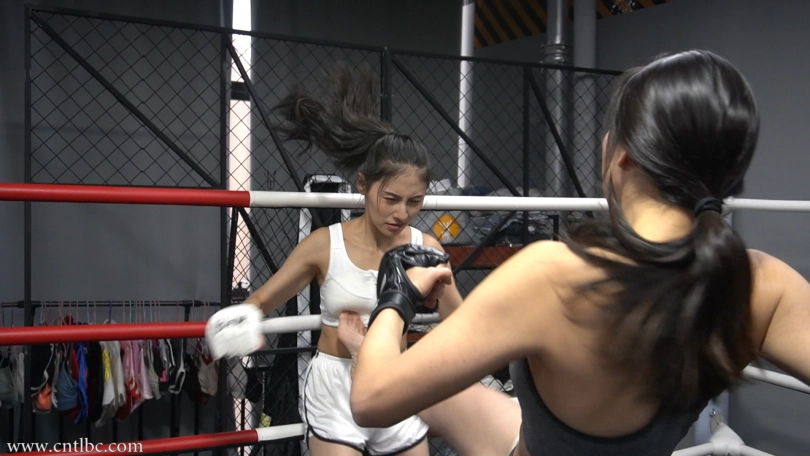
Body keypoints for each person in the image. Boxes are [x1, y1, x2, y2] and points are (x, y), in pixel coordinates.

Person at [344, 50, 810, 455]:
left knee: (402, 379)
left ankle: (373, 351)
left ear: (624, 153)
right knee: (452, 397)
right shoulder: (760, 283)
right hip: (535, 433)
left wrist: (398, 297)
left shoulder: (552, 277)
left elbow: (370, 400)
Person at [205, 64, 472, 456]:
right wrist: (243, 325)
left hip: (395, 381)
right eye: (391, 199)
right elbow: (261, 300)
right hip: (335, 389)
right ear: (363, 184)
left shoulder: (424, 247)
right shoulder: (324, 245)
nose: (402, 213)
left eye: (414, 201)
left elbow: (462, 325)